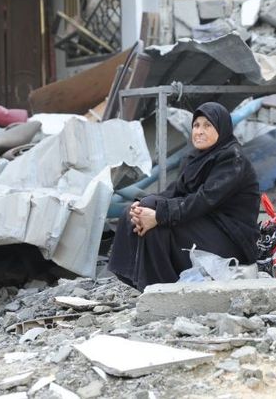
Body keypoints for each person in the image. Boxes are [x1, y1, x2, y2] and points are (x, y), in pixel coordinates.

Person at [108, 101, 260, 291]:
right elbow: (175, 192)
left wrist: (158, 216)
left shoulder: (233, 159)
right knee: (141, 208)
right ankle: (144, 283)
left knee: (159, 226)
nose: (199, 131)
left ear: (222, 128)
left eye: (207, 125)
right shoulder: (195, 158)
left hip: (231, 238)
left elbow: (203, 200)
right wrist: (141, 208)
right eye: (196, 125)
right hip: (205, 225)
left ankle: (162, 288)